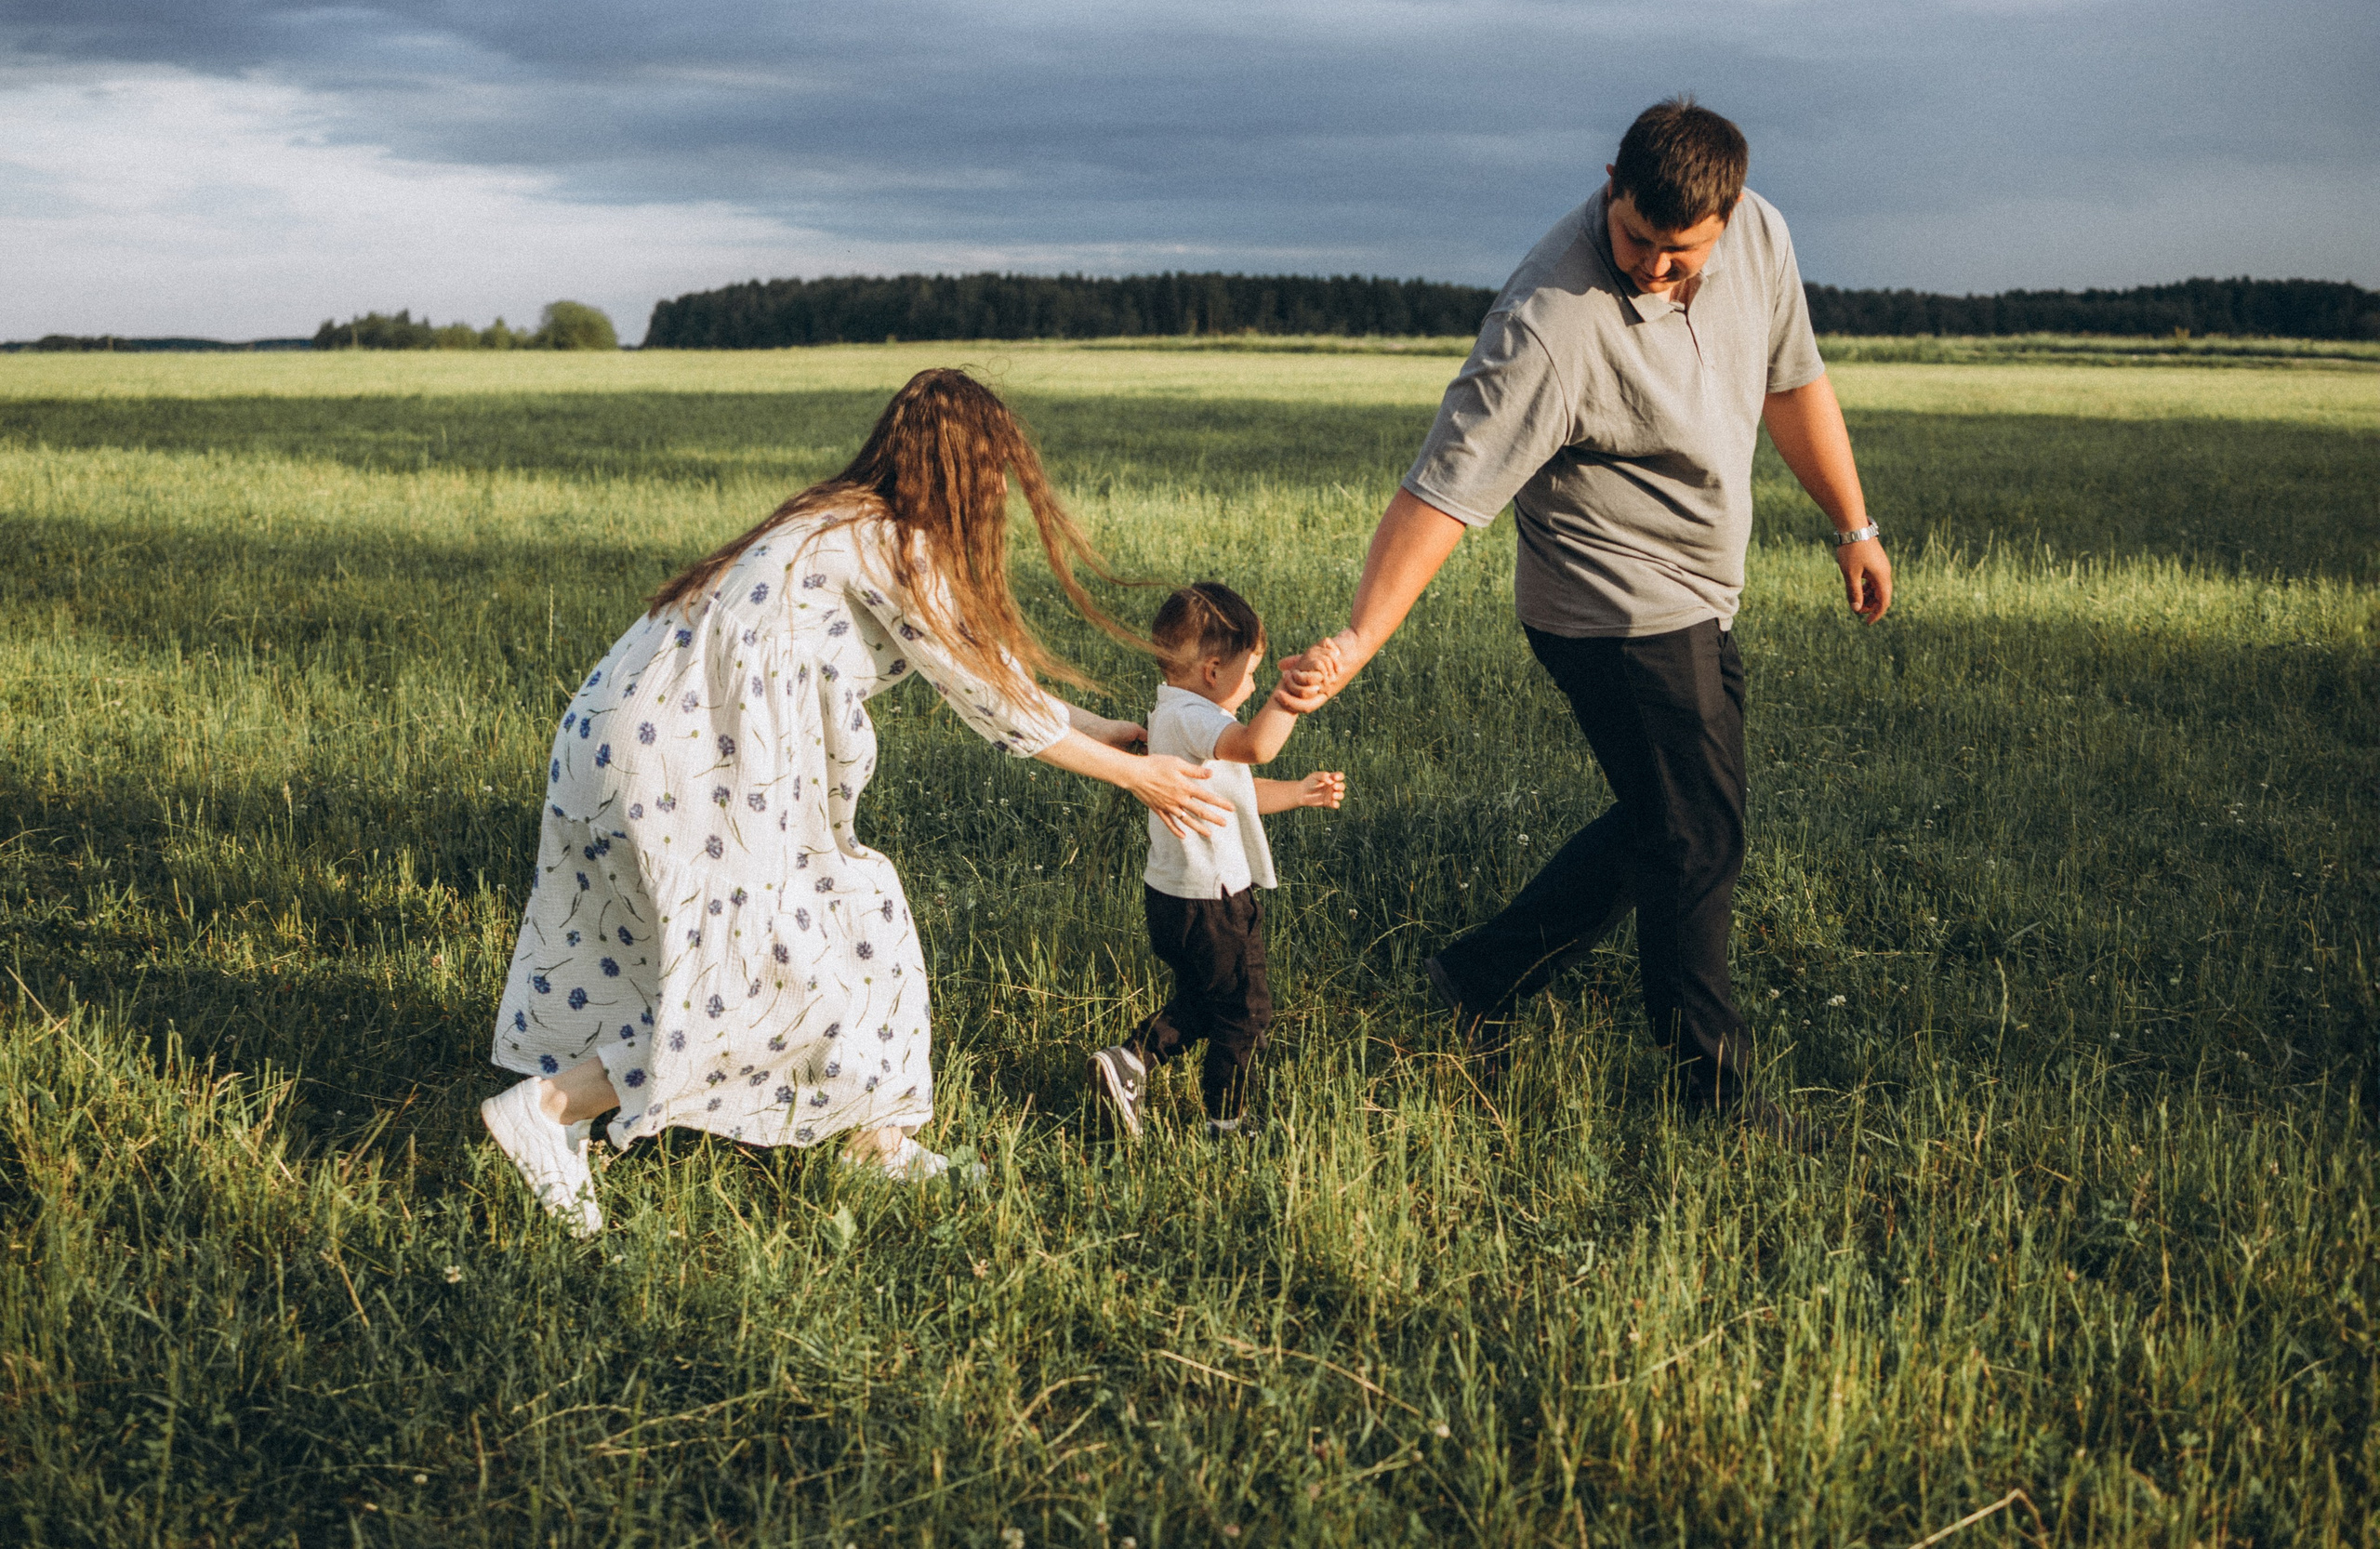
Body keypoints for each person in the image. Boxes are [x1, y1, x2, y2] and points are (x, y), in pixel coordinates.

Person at [479, 369, 1234, 1236]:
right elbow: (987, 701)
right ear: (966, 475)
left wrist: (1103, 729)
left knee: (853, 923)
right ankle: (548, 1110)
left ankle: (874, 1142)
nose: (996, 502)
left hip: (620, 735)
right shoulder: (895, 544)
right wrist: (1139, 776)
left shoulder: (843, 520)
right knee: (768, 977)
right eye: (993, 479)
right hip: (689, 759)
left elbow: (989, 672)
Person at [1284, 98, 1892, 1138]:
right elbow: (1441, 492)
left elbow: (1793, 381)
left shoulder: (1763, 238)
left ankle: (1478, 976)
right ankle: (1712, 1095)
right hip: (1606, 608)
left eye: (1679, 251)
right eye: (1636, 239)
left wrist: (1851, 524)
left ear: (1729, 214)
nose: (1654, 267)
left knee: (1671, 816)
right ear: (1611, 181)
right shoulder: (1548, 322)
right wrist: (1358, 638)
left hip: (1698, 591)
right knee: (1696, 830)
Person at [1088, 584, 1344, 1140]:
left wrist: (1299, 792)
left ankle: (1128, 1063)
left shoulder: (1176, 716)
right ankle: (1226, 1125)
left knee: (1205, 1000)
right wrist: (1289, 695)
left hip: (1178, 898)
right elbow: (1256, 747)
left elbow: (1238, 793)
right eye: (1250, 672)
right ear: (1211, 670)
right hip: (1214, 902)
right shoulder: (1196, 718)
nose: (1253, 685)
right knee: (1245, 1013)